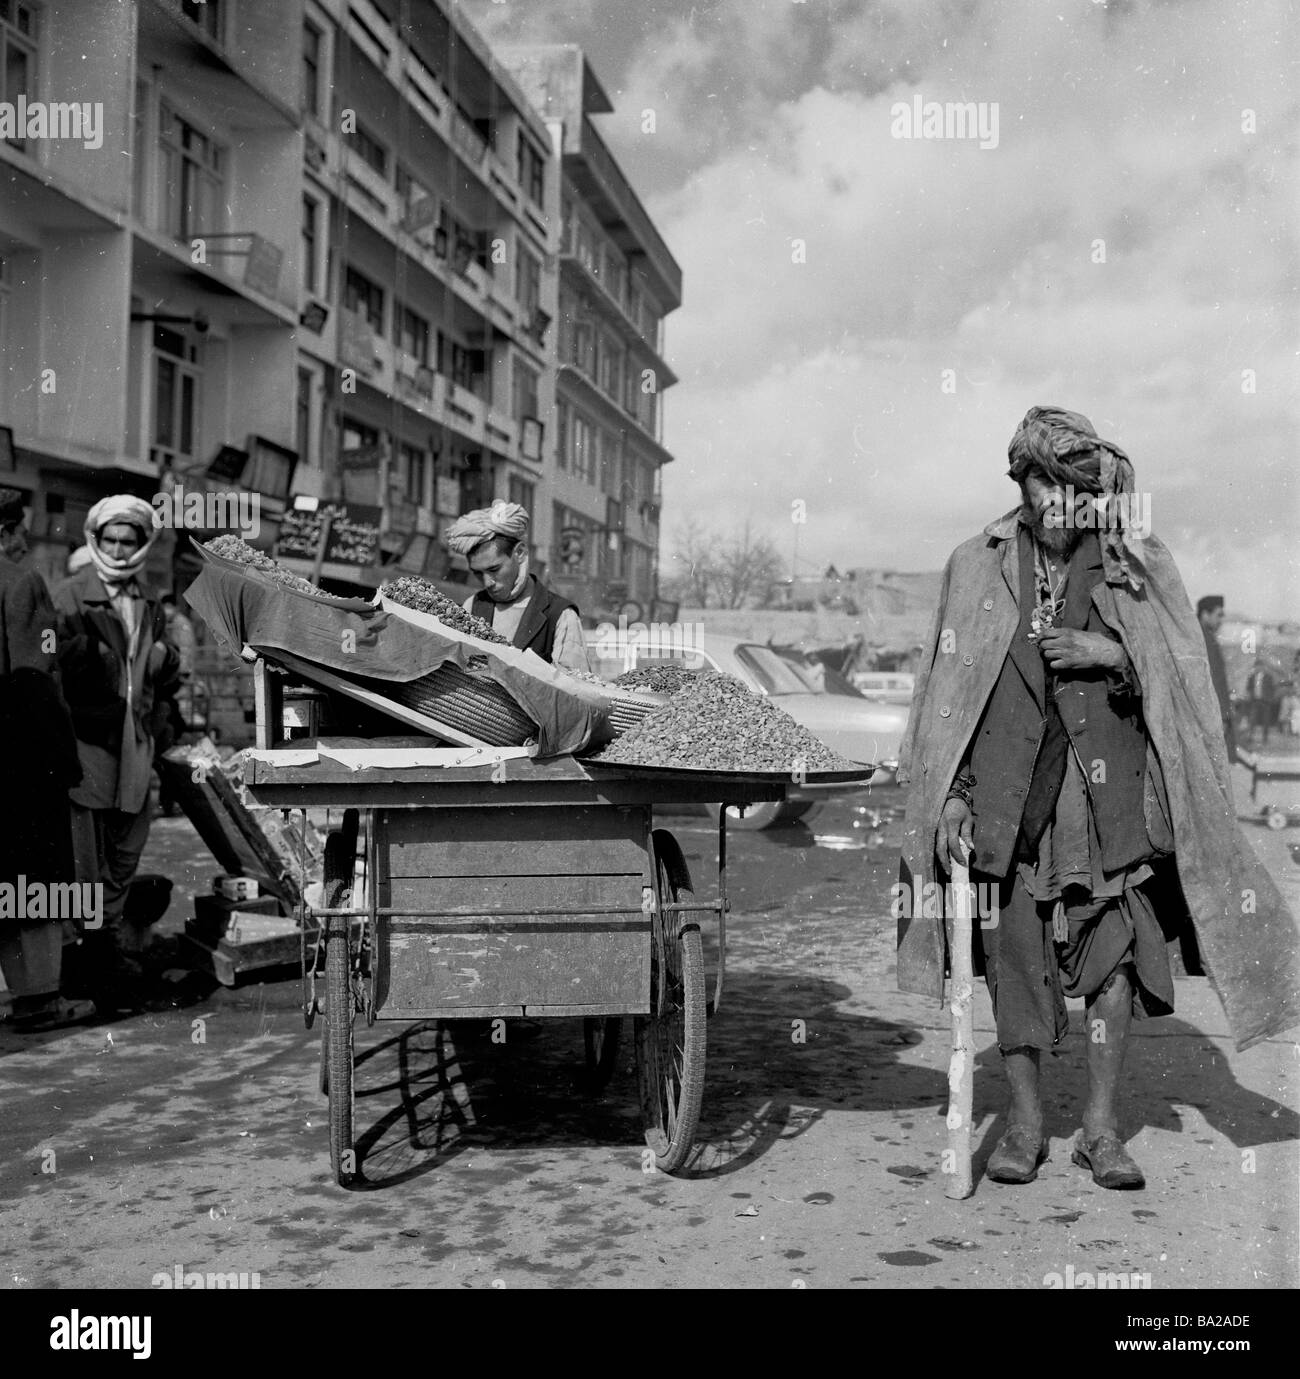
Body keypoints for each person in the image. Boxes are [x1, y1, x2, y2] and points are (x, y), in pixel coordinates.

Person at [896, 406, 1299, 1192]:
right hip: (1007, 801)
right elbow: (941, 700)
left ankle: (1102, 1130)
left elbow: (1184, 685)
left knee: (1112, 956)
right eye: (1041, 482)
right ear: (1022, 482)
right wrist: (947, 799)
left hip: (1102, 805)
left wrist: (1109, 652)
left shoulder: (1132, 564)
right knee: (1014, 960)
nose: (1055, 501)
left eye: (1069, 487)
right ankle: (1022, 1125)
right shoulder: (974, 564)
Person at [52, 495, 180, 1013]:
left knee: (127, 848)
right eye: (111, 540)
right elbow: (50, 666)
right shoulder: (68, 597)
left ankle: (106, 944)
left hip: (137, 744)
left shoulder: (149, 602)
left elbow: (166, 676)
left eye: (130, 541)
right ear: (95, 539)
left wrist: (163, 663)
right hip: (90, 744)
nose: (120, 549)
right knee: (87, 855)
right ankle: (91, 957)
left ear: (142, 544)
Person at [0, 489, 89, 1030]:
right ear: (8, 530)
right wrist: (61, 761)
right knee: (32, 872)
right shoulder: (23, 581)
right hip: (18, 756)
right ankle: (38, 1000)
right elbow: (39, 674)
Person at [445, 500, 592, 673]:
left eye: (494, 569)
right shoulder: (472, 606)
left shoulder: (562, 616)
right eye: (478, 573)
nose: (487, 582)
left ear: (520, 553)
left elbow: (575, 687)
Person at [1196, 595, 1236, 762]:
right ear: (1205, 614)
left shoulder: (1206, 636)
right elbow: (1215, 680)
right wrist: (1224, 715)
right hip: (1212, 715)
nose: (1221, 620)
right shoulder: (1202, 639)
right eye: (1219, 615)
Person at [1245, 658, 1277, 748]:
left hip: (1265, 701)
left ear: (1263, 667)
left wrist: (1270, 698)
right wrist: (1250, 695)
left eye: (1261, 666)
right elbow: (1248, 687)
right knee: (1252, 719)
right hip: (1255, 701)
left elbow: (1272, 688)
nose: (1259, 668)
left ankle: (1265, 738)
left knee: (1265, 720)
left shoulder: (1268, 676)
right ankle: (1250, 736)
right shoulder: (1252, 676)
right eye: (1257, 666)